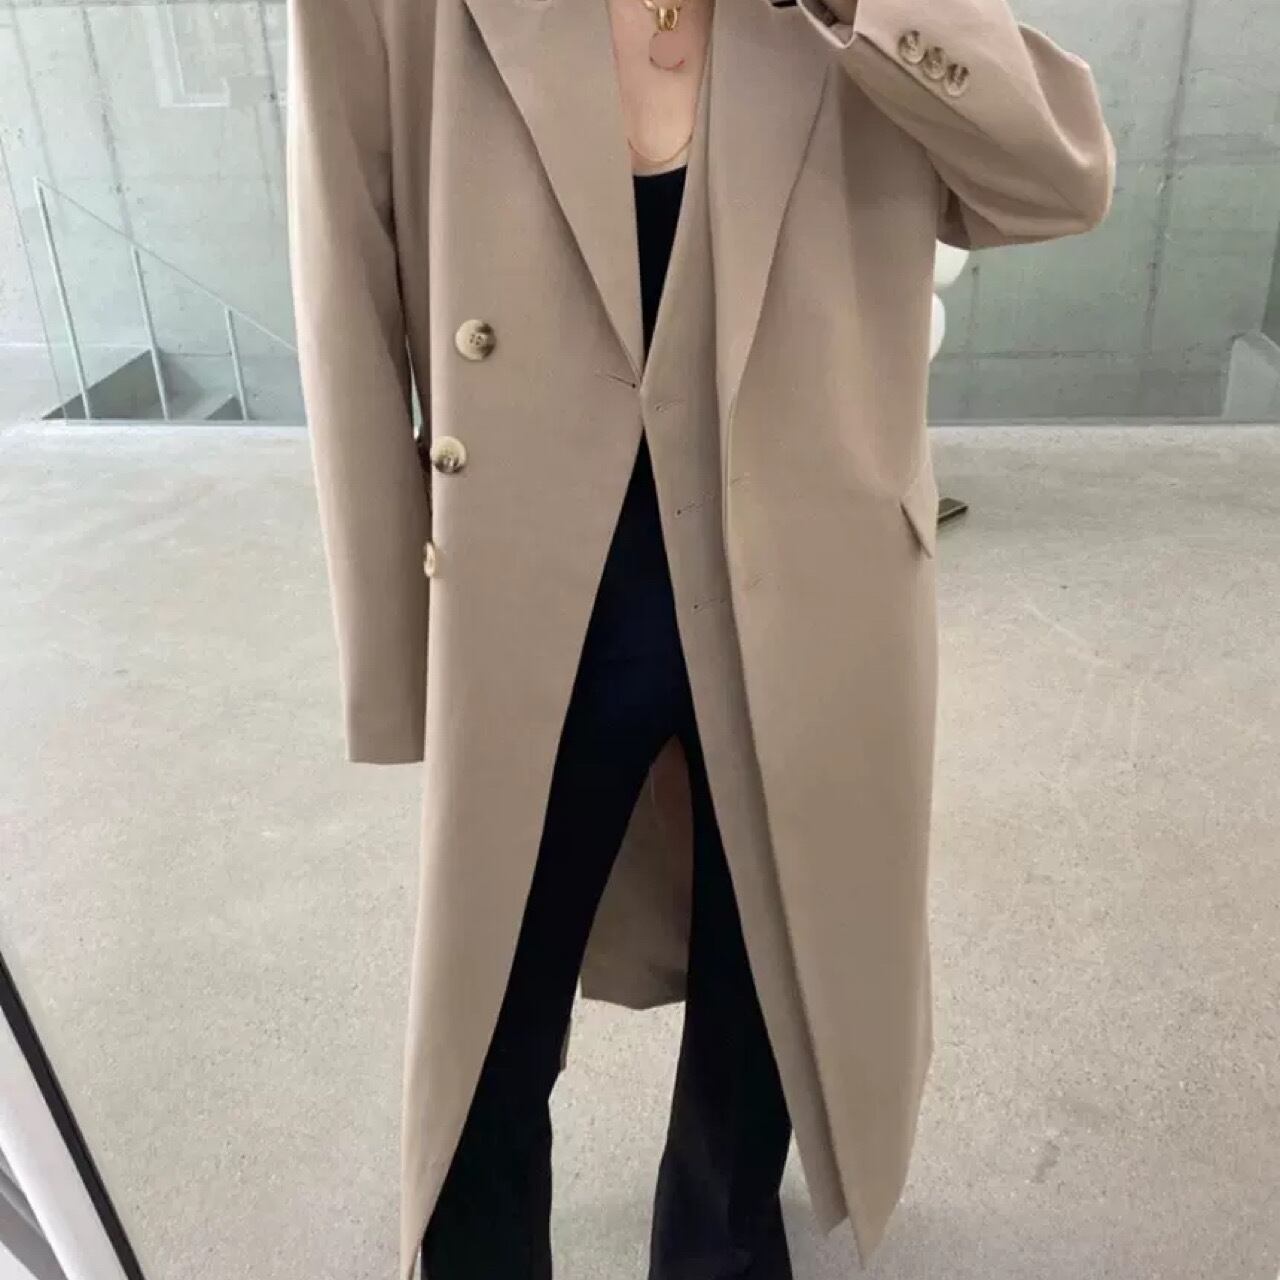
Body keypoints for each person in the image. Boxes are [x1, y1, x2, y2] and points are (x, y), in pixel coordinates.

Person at [283, 0, 1114, 1275]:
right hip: (532, 599)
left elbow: (1055, 181)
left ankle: (717, 1242)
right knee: (486, 1022)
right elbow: (343, 275)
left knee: (770, 996)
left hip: (813, 580)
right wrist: (391, 641)